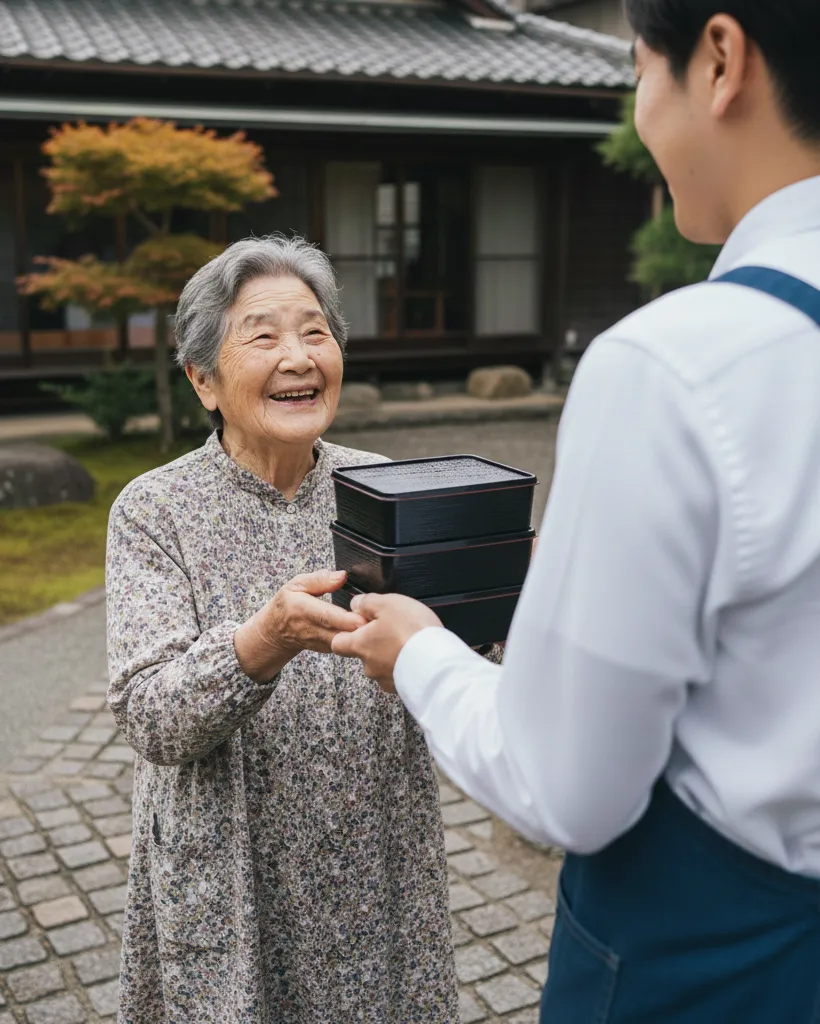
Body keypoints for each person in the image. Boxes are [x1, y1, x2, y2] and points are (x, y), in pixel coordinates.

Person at [332, 2, 820, 1021]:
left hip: (719, 965)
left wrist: (418, 651)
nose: (640, 107)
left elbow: (566, 787)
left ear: (720, 59)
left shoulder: (678, 364)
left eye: (641, 70)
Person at [106, 236, 460, 1023]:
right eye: (262, 335)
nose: (298, 356)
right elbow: (147, 714)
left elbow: (458, 652)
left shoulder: (384, 487)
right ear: (203, 379)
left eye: (315, 331)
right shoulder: (154, 510)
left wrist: (499, 591)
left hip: (374, 851)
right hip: (232, 864)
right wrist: (261, 641)